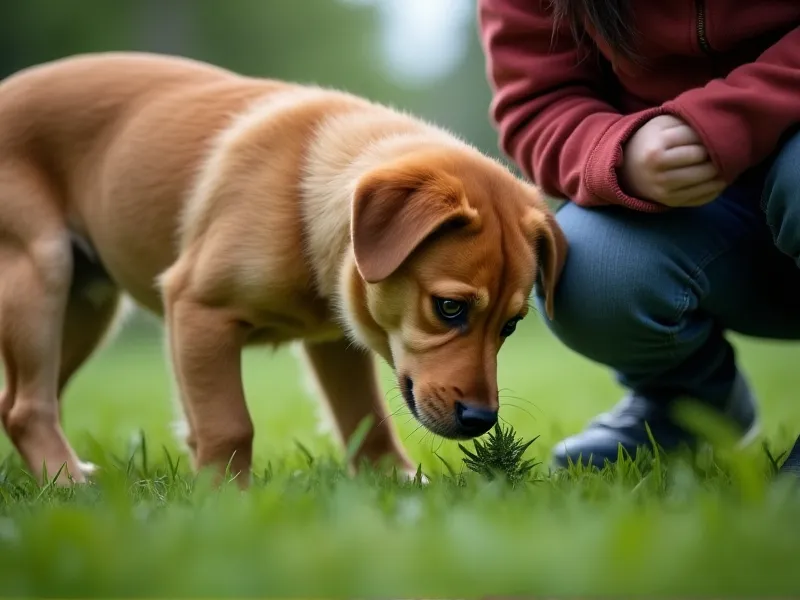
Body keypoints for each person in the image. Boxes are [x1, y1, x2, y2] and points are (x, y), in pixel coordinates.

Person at [478, 0, 800, 473]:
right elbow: (537, 103)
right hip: (697, 215)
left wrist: (723, 118)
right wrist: (619, 152)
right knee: (586, 266)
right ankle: (688, 410)